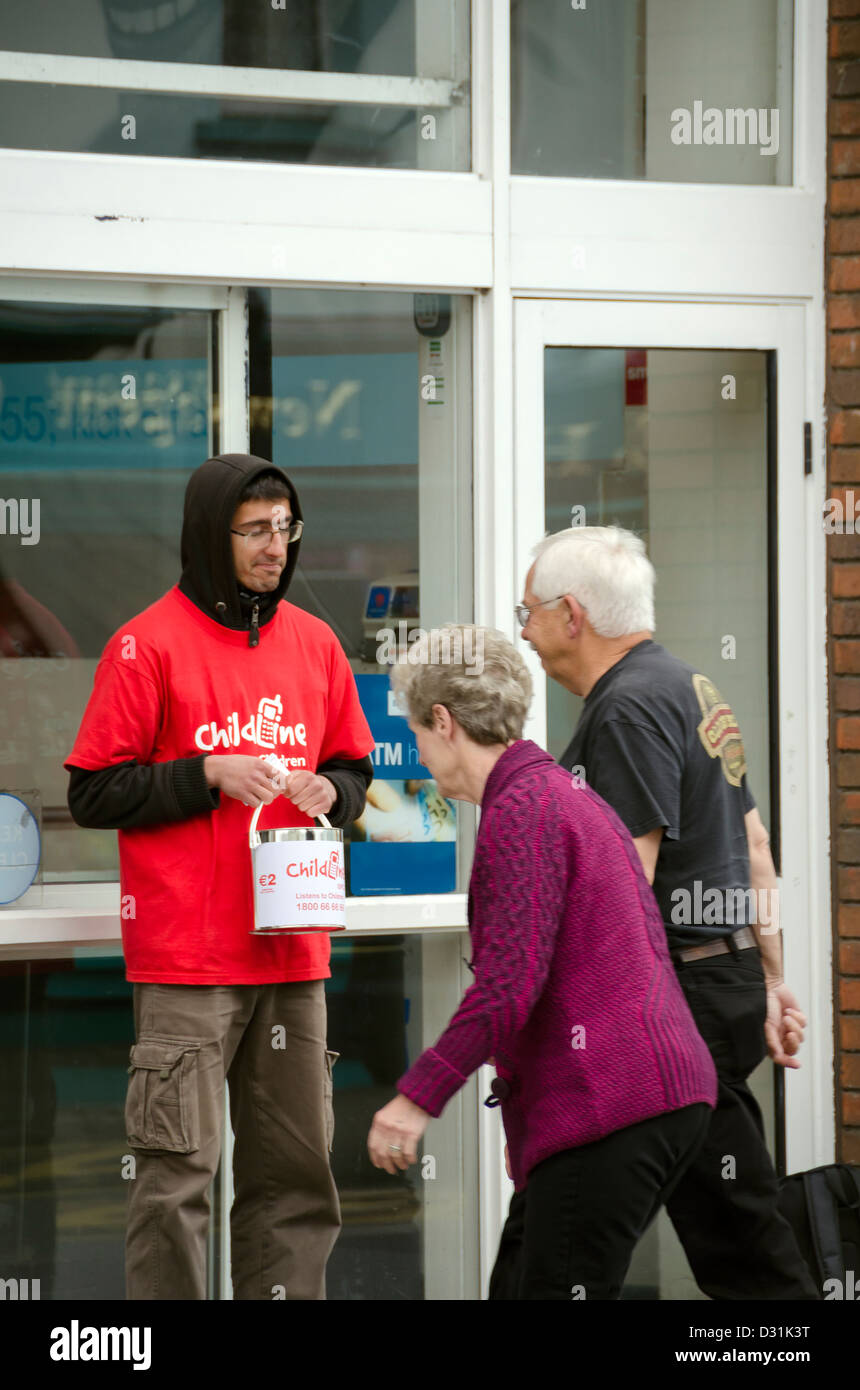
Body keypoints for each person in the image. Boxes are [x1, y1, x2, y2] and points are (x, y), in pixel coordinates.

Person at [65, 453, 375, 1301]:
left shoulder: (315, 643)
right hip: (188, 963)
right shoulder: (146, 644)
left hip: (293, 955)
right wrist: (205, 774)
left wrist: (332, 791)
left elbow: (354, 769)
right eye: (255, 531)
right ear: (212, 534)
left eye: (286, 528)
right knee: (176, 1184)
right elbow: (93, 791)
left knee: (297, 1184)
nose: (277, 547)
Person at [513, 524, 819, 1300]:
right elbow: (754, 844)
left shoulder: (625, 708)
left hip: (671, 1003)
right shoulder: (689, 686)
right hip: (716, 986)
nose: (525, 635)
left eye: (528, 614)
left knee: (578, 1233)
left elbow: (623, 880)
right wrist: (769, 977)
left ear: (572, 614)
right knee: (739, 1233)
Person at [366, 625, 717, 1300]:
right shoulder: (555, 794)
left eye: (415, 732)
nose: (418, 752)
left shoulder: (524, 811)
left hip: (613, 1105)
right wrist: (531, 1125)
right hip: (641, 1100)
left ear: (443, 721)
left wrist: (415, 1098)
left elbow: (508, 988)